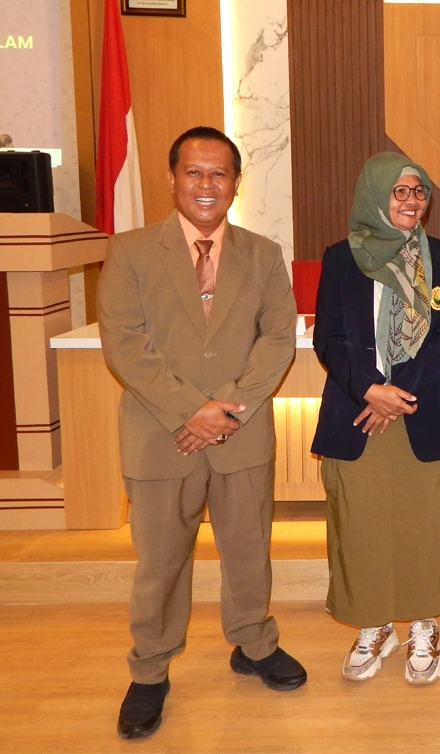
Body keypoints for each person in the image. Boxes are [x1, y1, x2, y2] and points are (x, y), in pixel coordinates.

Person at [98, 126, 302, 741]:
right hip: (160, 435)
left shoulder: (263, 254)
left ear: (236, 183)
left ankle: (254, 644)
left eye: (219, 173)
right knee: (160, 562)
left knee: (248, 551)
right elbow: (125, 345)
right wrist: (191, 411)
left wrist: (227, 410)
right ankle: (150, 669)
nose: (206, 184)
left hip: (241, 434)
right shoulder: (131, 251)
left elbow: (277, 339)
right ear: (172, 179)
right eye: (194, 172)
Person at [311, 153, 440, 686]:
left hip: (423, 410)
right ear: (376, 193)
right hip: (357, 412)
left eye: (418, 192)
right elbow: (329, 337)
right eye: (399, 191)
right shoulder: (341, 258)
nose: (411, 201)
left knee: (428, 523)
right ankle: (373, 624)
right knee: (361, 525)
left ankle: (423, 625)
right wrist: (369, 390)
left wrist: (398, 393)